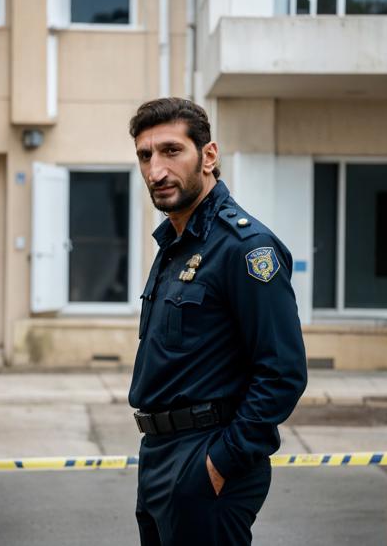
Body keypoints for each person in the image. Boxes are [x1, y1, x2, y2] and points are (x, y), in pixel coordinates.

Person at [128, 97, 307, 546]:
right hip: (159, 455)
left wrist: (221, 462)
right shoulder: (175, 243)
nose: (156, 171)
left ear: (208, 156)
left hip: (206, 458)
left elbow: (282, 372)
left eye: (171, 151)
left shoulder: (245, 248)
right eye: (145, 156)